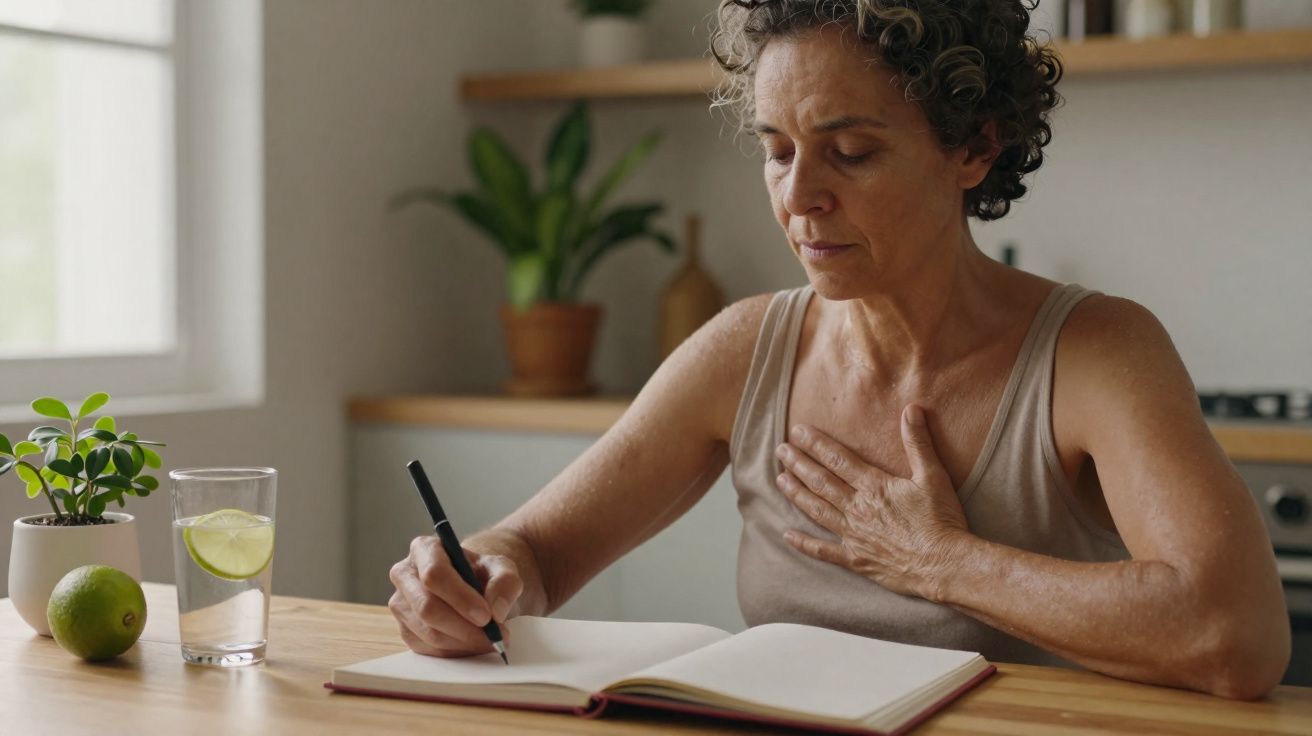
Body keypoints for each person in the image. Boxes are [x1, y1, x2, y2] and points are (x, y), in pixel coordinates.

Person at [388, 0, 1289, 699]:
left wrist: (942, 560)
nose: (800, 196)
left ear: (974, 148)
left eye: (849, 151)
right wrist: (474, 581)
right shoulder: (745, 351)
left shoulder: (1096, 353)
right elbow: (537, 551)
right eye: (777, 152)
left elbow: (1235, 637)